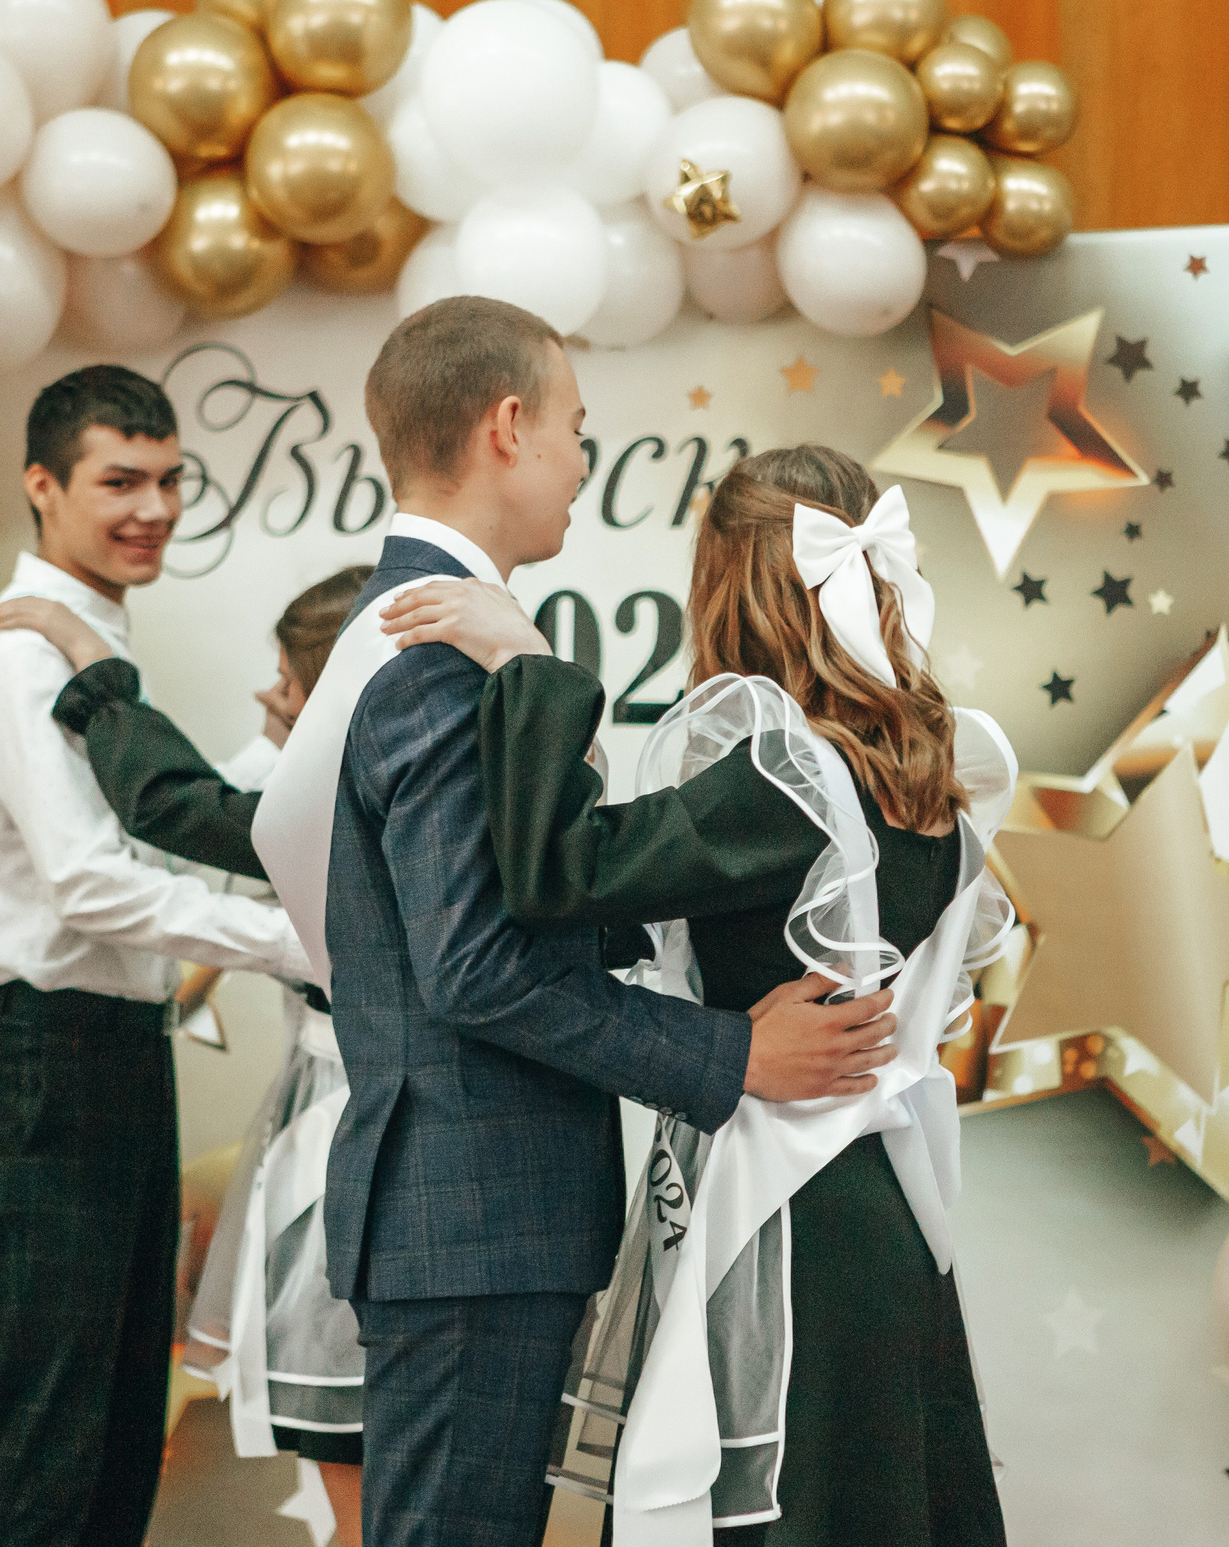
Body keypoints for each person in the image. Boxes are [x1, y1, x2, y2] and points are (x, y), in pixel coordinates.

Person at [241, 296, 900, 1547]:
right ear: (507, 428)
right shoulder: (435, 650)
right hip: (470, 1209)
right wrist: (732, 1056)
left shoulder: (430, 630)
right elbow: (476, 968)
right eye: (576, 430)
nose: (583, 465)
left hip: (475, 1206)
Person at [382, 444, 1016, 1545]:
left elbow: (556, 879)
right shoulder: (920, 760)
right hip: (875, 1201)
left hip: (790, 1210)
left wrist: (535, 668)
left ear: (726, 583)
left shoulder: (786, 771)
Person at [0, 365, 315, 1547]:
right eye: (119, 481)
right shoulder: (23, 658)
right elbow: (87, 883)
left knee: (108, 1428)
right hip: (44, 1052)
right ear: (42, 487)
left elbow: (158, 826)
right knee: (57, 1427)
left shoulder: (88, 635)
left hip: (100, 1051)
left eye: (168, 480)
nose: (152, 507)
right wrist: (302, 946)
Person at [0, 564, 376, 1546]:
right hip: (329, 1135)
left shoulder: (335, 821)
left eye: (285, 682)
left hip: (349, 1159)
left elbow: (171, 808)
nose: (264, 696)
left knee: (356, 1461)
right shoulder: (333, 796)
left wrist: (91, 665)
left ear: (328, 704)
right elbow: (207, 808)